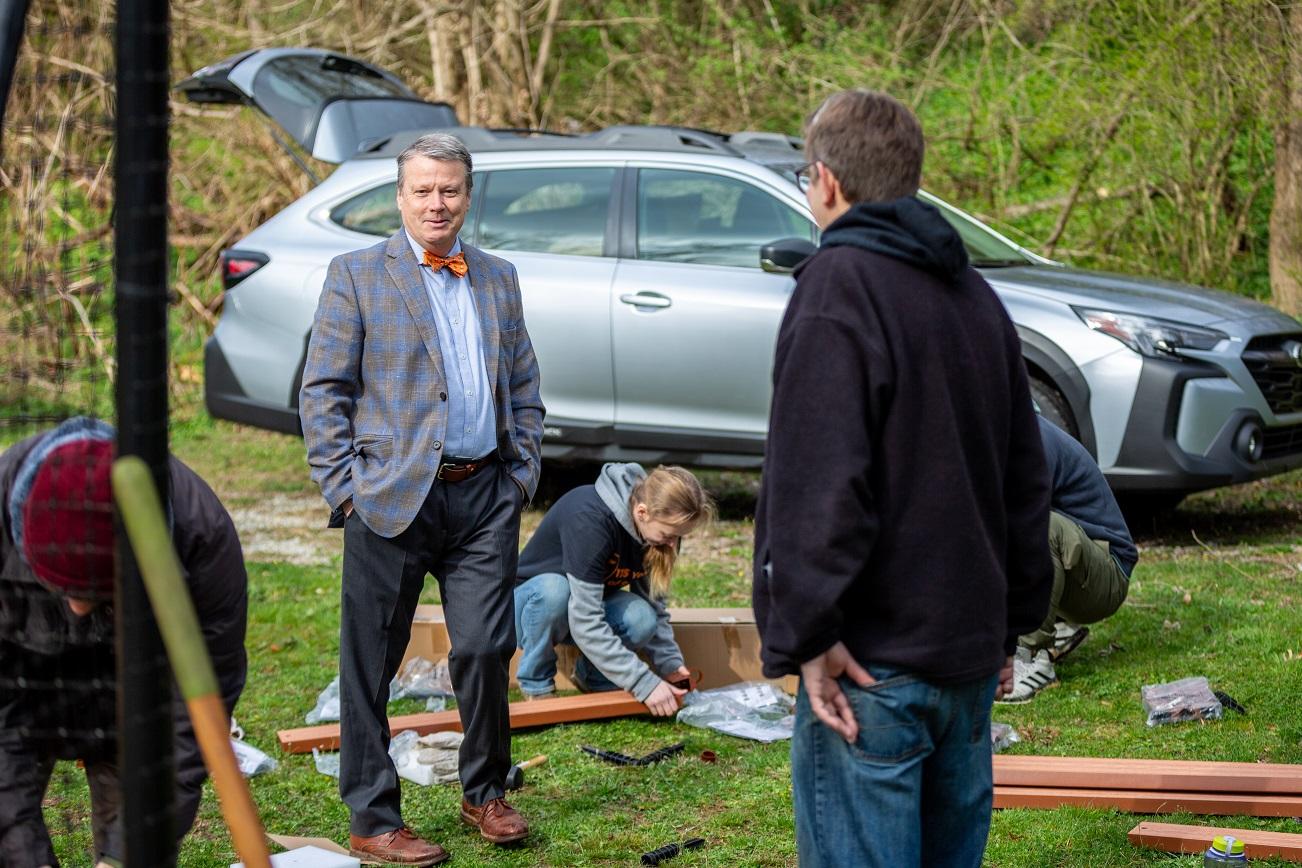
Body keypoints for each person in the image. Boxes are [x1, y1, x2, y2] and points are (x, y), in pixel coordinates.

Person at [751, 89, 1054, 867]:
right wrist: (1013, 619)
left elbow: (819, 483)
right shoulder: (977, 297)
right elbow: (1027, 478)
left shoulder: (838, 286)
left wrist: (809, 633)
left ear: (824, 181)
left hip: (874, 666)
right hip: (966, 656)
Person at [300, 131, 544, 865]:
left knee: (483, 647)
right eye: (423, 190)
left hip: (483, 498)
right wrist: (344, 489)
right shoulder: (356, 274)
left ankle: (485, 792)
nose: (437, 202)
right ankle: (374, 818)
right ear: (399, 196)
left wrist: (520, 475)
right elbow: (324, 391)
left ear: (468, 196)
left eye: (450, 190)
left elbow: (524, 384)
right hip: (391, 499)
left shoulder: (497, 277)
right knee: (370, 662)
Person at [0, 416, 248, 868]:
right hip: (22, 697)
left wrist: (121, 855)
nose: (76, 610)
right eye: (61, 591)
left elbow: (188, 725)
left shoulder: (201, 541)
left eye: (97, 595)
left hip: (137, 709)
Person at [513, 464, 713, 715]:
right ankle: (536, 684)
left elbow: (654, 607)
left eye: (678, 536)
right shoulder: (590, 520)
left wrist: (670, 665)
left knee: (642, 617)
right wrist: (643, 683)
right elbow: (585, 622)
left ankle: (593, 677)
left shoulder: (659, 532)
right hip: (528, 610)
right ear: (642, 512)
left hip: (581, 611)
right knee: (555, 590)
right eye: (668, 535)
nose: (673, 543)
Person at [998, 416, 1138, 703]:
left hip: (1108, 574)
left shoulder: (1033, 441)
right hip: (1079, 569)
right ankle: (1053, 628)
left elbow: (1017, 527)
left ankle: (1032, 657)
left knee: (1039, 528)